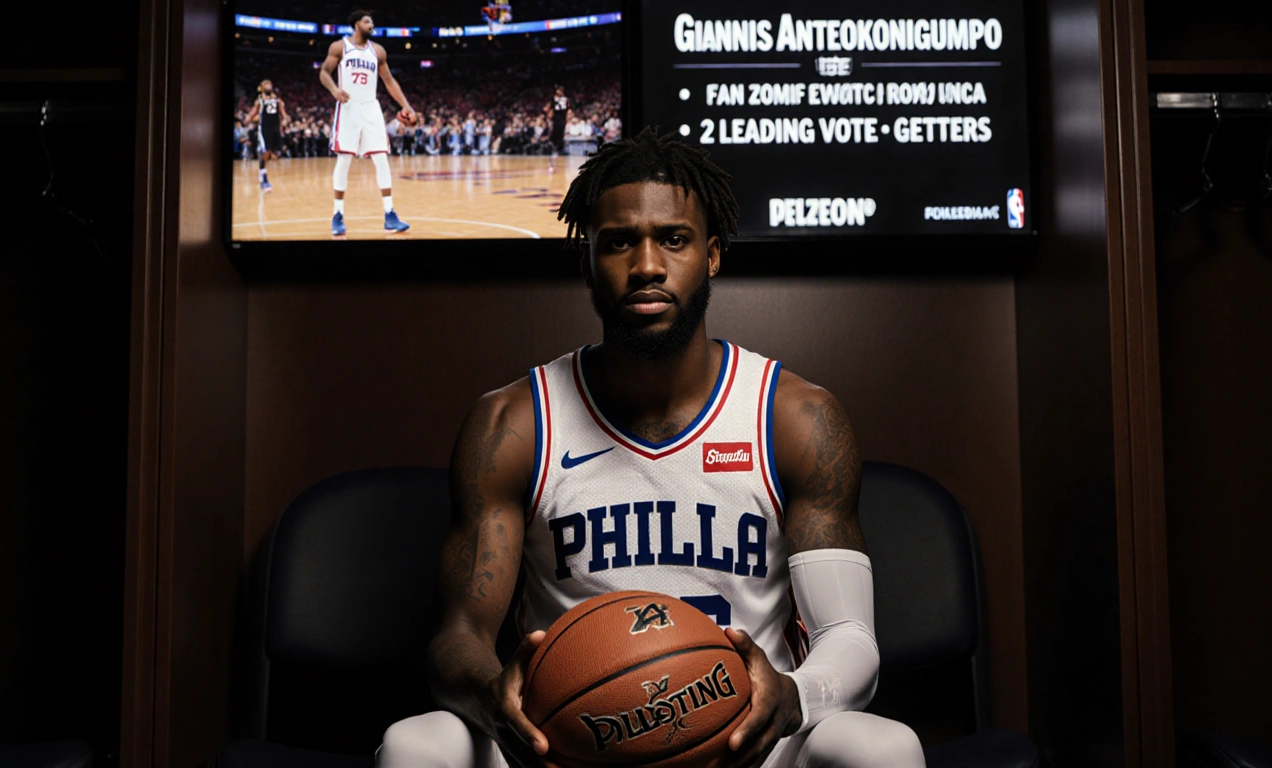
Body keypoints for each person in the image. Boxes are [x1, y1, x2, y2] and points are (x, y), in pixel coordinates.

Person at [375, 127, 927, 768]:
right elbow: (458, 635)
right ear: (588, 258)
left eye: (673, 238)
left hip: (747, 749)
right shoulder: (514, 424)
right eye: (618, 242)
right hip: (570, 747)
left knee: (885, 747)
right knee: (418, 743)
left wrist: (792, 697)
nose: (646, 265)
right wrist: (494, 696)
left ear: (712, 255)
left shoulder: (795, 418)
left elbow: (850, 638)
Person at [318, 9, 416, 236]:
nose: (371, 24)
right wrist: (334, 89)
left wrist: (406, 106)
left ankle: (390, 214)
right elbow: (324, 72)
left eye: (372, 20)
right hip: (349, 106)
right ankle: (337, 215)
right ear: (356, 24)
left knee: (382, 159)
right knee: (344, 160)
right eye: (366, 21)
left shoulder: (378, 51)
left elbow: (389, 82)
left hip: (371, 107)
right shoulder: (339, 46)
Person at [245, 79, 288, 191]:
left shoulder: (278, 100)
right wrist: (248, 119)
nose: (268, 85)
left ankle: (262, 170)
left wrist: (285, 120)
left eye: (270, 83)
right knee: (266, 151)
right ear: (262, 87)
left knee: (277, 153)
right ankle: (264, 178)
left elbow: (284, 114)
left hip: (275, 129)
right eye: (266, 84)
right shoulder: (259, 100)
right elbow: (252, 112)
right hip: (264, 129)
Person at [549, 85, 568, 156]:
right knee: (555, 131)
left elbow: (566, 109)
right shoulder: (553, 98)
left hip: (562, 118)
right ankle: (553, 146)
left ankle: (560, 148)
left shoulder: (565, 99)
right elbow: (551, 108)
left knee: (561, 133)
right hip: (556, 117)